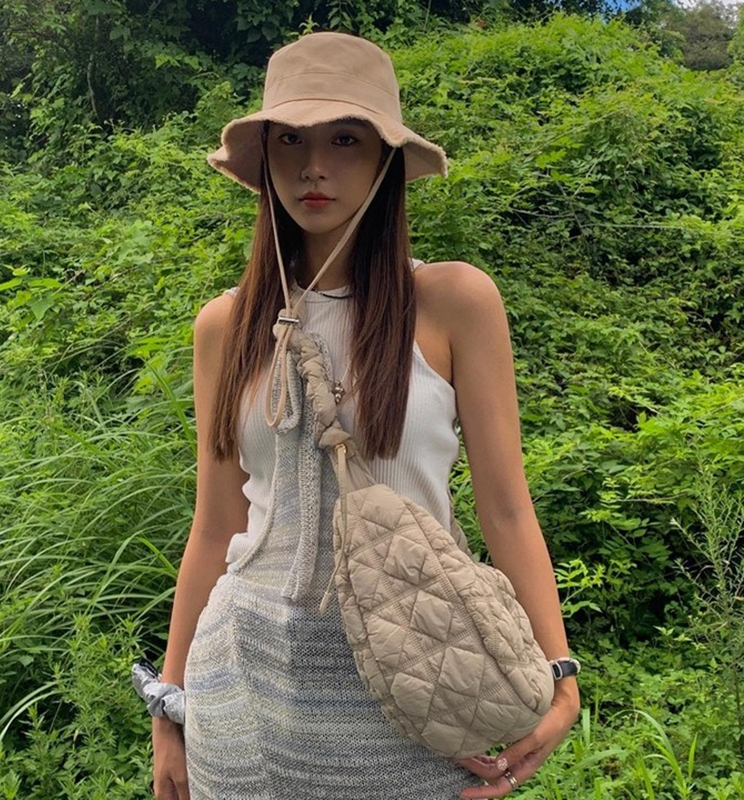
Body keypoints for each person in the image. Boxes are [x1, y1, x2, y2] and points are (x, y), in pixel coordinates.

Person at [150, 31, 580, 800]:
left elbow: (507, 508)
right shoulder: (226, 325)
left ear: (386, 157)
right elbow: (214, 527)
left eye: (344, 139)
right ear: (264, 157)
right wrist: (170, 704)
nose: (313, 165)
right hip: (238, 697)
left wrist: (561, 674)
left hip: (415, 683)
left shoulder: (453, 303)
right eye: (290, 139)